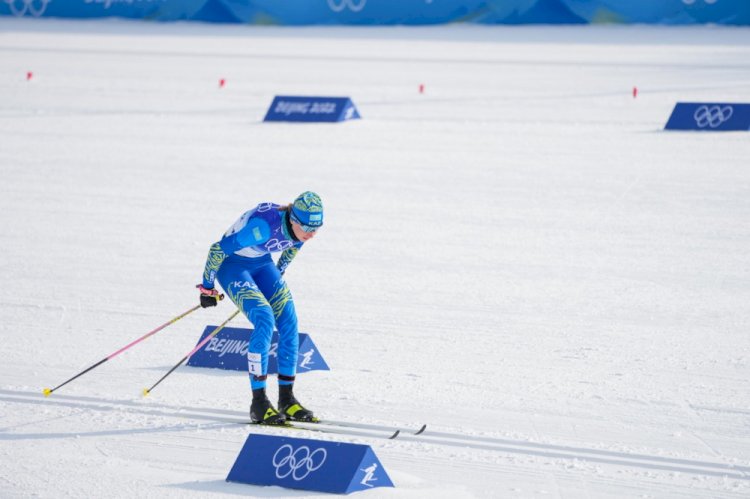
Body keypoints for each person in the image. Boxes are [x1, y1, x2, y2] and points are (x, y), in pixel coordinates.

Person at [196, 191, 323, 425]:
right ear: (294, 219)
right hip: (232, 265)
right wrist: (207, 288)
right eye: (308, 228)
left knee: (288, 318)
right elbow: (216, 250)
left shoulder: (300, 231)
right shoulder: (262, 228)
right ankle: (259, 403)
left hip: (262, 263)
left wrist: (278, 272)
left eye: (317, 228)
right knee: (265, 318)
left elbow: (293, 246)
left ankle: (287, 399)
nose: (312, 235)